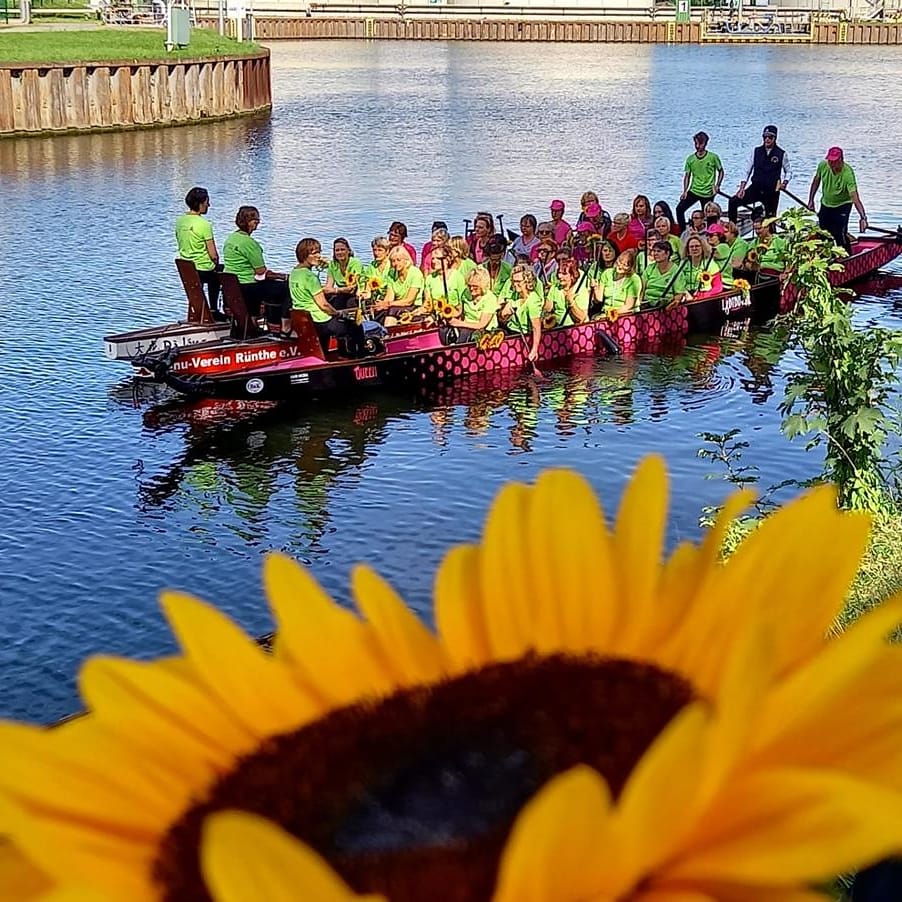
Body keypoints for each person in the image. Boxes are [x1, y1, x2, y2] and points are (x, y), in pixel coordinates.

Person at [290, 238, 364, 354]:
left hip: (304, 317)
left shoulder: (294, 273)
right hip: (319, 319)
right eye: (315, 253)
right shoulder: (310, 277)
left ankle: (325, 354)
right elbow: (324, 305)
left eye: (319, 252)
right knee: (355, 325)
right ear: (305, 255)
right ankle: (358, 357)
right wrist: (337, 313)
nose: (319, 256)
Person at [221, 205, 289, 333]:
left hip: (233, 285)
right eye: (255, 220)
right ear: (247, 222)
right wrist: (284, 277)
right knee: (285, 288)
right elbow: (260, 271)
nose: (257, 223)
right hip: (248, 286)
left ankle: (257, 321)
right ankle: (281, 325)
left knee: (274, 287)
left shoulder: (230, 239)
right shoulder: (249, 243)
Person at [808, 146, 868, 253]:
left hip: (843, 205)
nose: (831, 164)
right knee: (823, 232)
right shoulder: (823, 165)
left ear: (841, 160)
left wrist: (863, 217)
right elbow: (816, 182)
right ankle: (826, 257)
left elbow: (854, 197)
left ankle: (847, 257)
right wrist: (811, 200)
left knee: (839, 233)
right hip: (826, 203)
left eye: (834, 161)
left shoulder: (847, 173)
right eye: (830, 161)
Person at [175, 186, 223, 317]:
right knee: (222, 273)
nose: (209, 205)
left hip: (187, 267)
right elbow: (213, 255)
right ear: (201, 203)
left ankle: (196, 310)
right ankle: (214, 310)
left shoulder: (179, 221)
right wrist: (216, 262)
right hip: (203, 269)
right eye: (207, 202)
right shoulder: (204, 224)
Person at [728, 125, 792, 222]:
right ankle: (732, 228)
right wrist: (742, 188)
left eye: (770, 137)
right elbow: (747, 170)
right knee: (733, 201)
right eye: (765, 137)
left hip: (771, 192)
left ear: (775, 138)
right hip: (755, 189)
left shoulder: (781, 154)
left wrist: (784, 183)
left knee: (770, 219)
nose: (767, 139)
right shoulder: (756, 151)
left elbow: (788, 171)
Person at [676, 131, 724, 233]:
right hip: (694, 190)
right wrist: (685, 191)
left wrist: (717, 185)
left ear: (705, 144)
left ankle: (711, 234)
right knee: (679, 209)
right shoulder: (690, 159)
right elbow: (687, 176)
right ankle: (683, 232)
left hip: (708, 192)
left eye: (700, 144)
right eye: (696, 144)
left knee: (709, 214)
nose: (698, 146)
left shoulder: (713, 157)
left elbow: (721, 171)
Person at [500, 264, 543, 361]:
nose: (515, 285)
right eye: (514, 281)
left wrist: (534, 349)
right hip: (509, 330)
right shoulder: (515, 295)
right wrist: (505, 313)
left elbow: (536, 327)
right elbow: (503, 317)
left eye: (519, 282)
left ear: (527, 281)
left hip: (522, 335)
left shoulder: (533, 300)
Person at [445, 267, 500, 342]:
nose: (471, 289)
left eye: (475, 286)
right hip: (465, 327)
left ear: (483, 285)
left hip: (485, 332)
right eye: (469, 286)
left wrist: (459, 323)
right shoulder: (465, 293)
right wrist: (448, 313)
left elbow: (481, 325)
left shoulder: (490, 298)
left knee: (466, 335)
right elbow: (459, 311)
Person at [378, 246, 426, 325]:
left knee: (392, 310)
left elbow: (409, 301)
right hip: (398, 305)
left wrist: (389, 304)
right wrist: (382, 305)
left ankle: (389, 334)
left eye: (399, 260)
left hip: (414, 305)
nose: (396, 263)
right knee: (380, 311)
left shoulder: (415, 273)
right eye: (393, 261)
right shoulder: (391, 274)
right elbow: (389, 296)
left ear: (406, 261)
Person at [594, 249, 642, 317]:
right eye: (619, 262)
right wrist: (595, 287)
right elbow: (599, 299)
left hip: (627, 314)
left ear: (631, 267)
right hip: (606, 312)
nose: (620, 266)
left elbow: (629, 305)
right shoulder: (607, 273)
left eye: (625, 265)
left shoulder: (634, 279)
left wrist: (613, 313)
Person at [641, 241, 689, 308]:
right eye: (654, 251)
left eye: (659, 251)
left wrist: (674, 302)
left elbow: (679, 293)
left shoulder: (676, 270)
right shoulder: (649, 268)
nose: (655, 253)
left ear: (667, 253)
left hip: (666, 306)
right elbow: (642, 288)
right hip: (647, 304)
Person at [323, 237, 364, 310]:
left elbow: (351, 288)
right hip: (341, 293)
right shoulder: (333, 264)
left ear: (348, 251)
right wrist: (339, 290)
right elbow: (328, 288)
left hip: (356, 294)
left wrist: (336, 290)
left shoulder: (355, 263)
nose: (340, 252)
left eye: (342, 249)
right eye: (337, 250)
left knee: (348, 303)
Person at [546, 258, 590, 325]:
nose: (559, 276)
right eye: (559, 273)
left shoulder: (580, 291)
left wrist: (571, 302)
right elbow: (548, 309)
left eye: (564, 274)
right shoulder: (555, 288)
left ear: (572, 276)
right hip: (558, 329)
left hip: (576, 330)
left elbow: (581, 318)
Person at [424, 246, 466, 313]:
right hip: (435, 315)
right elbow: (427, 303)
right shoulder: (430, 278)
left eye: (437, 258)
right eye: (432, 258)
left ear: (447, 259)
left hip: (453, 314)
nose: (434, 261)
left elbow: (463, 301)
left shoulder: (457, 277)